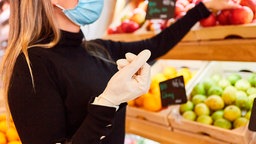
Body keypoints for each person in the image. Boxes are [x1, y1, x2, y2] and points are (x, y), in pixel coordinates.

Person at [0, 0, 240, 144]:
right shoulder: (31, 65)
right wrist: (108, 103)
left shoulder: (98, 49)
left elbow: (156, 45)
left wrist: (203, 8)